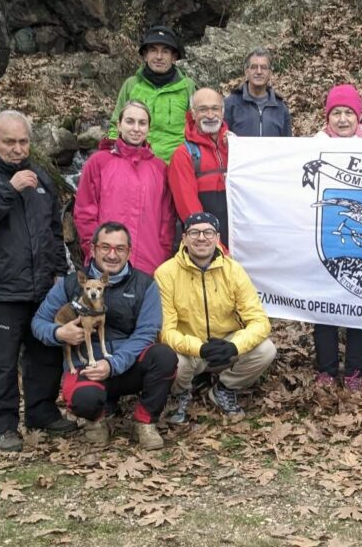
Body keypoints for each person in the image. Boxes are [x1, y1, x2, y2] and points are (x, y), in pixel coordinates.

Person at [0, 110, 77, 451]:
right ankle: (1, 423)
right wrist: (8, 189)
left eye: (23, 141)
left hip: (42, 286)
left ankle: (41, 413)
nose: (17, 148)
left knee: (44, 354)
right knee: (1, 361)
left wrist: (58, 274)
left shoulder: (40, 177)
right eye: (9, 142)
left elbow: (54, 230)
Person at [32, 222, 177, 450]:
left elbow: (147, 332)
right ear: (93, 249)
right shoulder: (71, 283)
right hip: (86, 366)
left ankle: (145, 422)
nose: (112, 254)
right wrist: (59, 332)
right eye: (105, 247)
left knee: (165, 357)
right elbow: (38, 322)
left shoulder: (144, 284)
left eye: (120, 249)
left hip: (127, 363)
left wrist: (113, 364)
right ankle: (96, 419)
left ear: (129, 251)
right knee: (83, 399)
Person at [155, 212, 276, 422]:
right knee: (169, 358)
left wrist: (234, 346)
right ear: (184, 238)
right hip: (189, 351)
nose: (201, 238)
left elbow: (259, 321)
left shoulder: (234, 271)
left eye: (208, 232)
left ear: (217, 237)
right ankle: (180, 393)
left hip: (225, 348)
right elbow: (166, 331)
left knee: (266, 350)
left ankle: (224, 387)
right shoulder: (165, 273)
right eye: (194, 232)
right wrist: (198, 348)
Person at [312, 84, 362, 392]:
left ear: (357, 116)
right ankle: (325, 369)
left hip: (360, 242)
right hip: (326, 237)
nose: (342, 119)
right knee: (324, 306)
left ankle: (354, 370)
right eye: (335, 113)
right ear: (328, 117)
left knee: (359, 306)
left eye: (348, 112)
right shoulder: (312, 147)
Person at [74, 100, 175, 276]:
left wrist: (163, 252)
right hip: (106, 262)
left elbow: (167, 219)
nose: (136, 128)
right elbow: (85, 212)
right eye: (130, 121)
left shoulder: (160, 168)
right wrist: (93, 250)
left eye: (142, 123)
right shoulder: (98, 162)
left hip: (149, 263)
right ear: (119, 125)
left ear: (148, 129)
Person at [108, 25, 195, 163]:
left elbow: (196, 128)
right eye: (153, 50)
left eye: (165, 51)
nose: (159, 57)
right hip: (136, 162)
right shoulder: (131, 84)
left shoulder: (187, 87)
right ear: (145, 55)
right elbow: (115, 125)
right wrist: (111, 157)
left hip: (176, 164)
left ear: (174, 57)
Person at [168, 88, 231, 244]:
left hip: (240, 242)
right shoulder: (183, 155)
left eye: (215, 108)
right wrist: (216, 249)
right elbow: (190, 211)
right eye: (203, 109)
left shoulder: (236, 148)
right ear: (193, 114)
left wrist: (237, 148)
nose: (210, 115)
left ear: (222, 112)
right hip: (205, 245)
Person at [223, 47, 292, 137]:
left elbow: (287, 145)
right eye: (254, 67)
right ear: (246, 72)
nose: (259, 72)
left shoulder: (280, 108)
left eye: (263, 67)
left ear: (270, 73)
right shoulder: (230, 104)